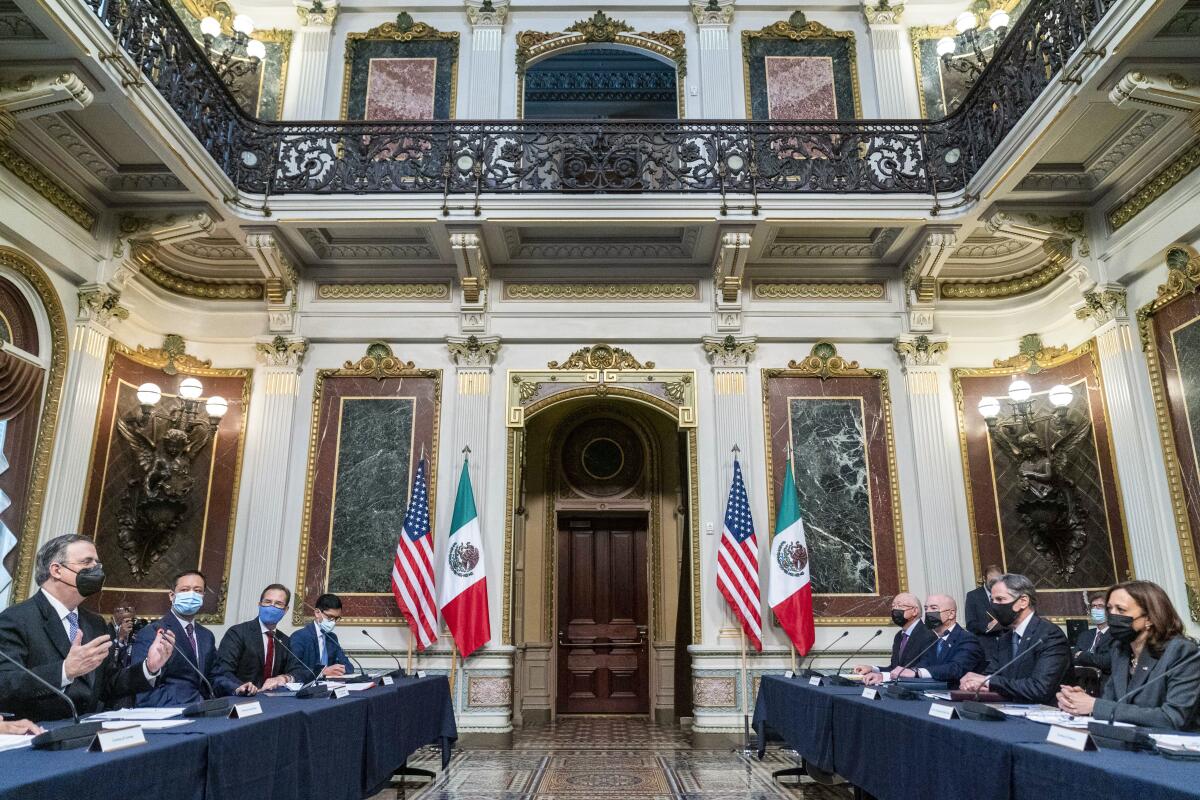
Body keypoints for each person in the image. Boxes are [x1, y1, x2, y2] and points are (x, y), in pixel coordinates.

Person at [0, 535, 175, 720]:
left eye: (97, 564)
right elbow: (5, 683)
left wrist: (149, 667)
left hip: (86, 732)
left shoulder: (95, 623)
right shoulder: (15, 619)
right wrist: (64, 671)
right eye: (87, 562)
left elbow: (108, 683)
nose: (96, 569)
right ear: (56, 570)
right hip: (36, 733)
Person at [1058, 580, 1200, 730]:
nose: (1112, 616)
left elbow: (1173, 718)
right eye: (1109, 609)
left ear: (1149, 618)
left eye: (1121, 610)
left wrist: (1095, 706)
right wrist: (1080, 703)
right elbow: (1112, 703)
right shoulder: (1120, 651)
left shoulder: (1181, 651)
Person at [959, 573, 1069, 704]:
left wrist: (988, 681)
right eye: (992, 601)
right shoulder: (1006, 638)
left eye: (1000, 600)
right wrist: (973, 682)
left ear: (1023, 601)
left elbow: (1039, 688)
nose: (994, 606)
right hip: (1009, 708)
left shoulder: (1049, 635)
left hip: (1047, 714)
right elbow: (991, 674)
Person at [133, 570, 224, 706]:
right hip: (170, 713)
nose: (191, 594)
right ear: (171, 595)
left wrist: (237, 687)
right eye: (185, 590)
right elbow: (144, 688)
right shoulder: (153, 632)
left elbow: (214, 675)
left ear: (203, 596)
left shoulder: (206, 635)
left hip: (204, 711)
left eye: (198, 590)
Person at [214, 583, 304, 695]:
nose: (272, 607)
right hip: (242, 700)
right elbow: (223, 672)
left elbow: (298, 671)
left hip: (273, 702)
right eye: (267, 602)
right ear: (259, 604)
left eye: (278, 604)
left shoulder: (284, 640)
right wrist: (240, 687)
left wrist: (284, 678)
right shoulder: (238, 633)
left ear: (285, 610)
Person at [887, 594, 984, 687]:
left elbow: (955, 668)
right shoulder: (935, 639)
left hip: (959, 696)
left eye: (933, 608)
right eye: (926, 609)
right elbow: (924, 664)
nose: (928, 612)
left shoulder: (967, 638)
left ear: (951, 614)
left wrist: (917, 672)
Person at [854, 592, 936, 686]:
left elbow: (920, 670)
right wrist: (872, 669)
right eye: (893, 606)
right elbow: (894, 668)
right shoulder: (899, 636)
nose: (895, 609)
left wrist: (882, 676)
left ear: (914, 611)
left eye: (900, 606)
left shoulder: (928, 635)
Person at [288, 593, 351, 680]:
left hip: (330, 686)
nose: (333, 622)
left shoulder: (332, 637)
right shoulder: (299, 636)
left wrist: (339, 669)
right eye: (330, 617)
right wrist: (322, 672)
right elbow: (294, 670)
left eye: (336, 618)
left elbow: (348, 667)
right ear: (317, 613)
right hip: (306, 688)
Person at [965, 564, 1005, 664]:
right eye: (992, 582)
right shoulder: (973, 596)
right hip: (985, 647)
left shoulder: (1006, 594)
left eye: (997, 581)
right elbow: (970, 624)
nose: (994, 584)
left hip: (1005, 644)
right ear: (984, 579)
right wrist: (987, 627)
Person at [1072, 591, 1114, 677]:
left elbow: (1106, 662)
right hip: (1082, 680)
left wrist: (1081, 655)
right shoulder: (1085, 635)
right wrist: (1093, 658)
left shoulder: (1115, 635)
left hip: (1104, 682)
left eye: (1100, 606)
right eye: (1093, 606)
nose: (1095, 609)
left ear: (1109, 610)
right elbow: (1072, 656)